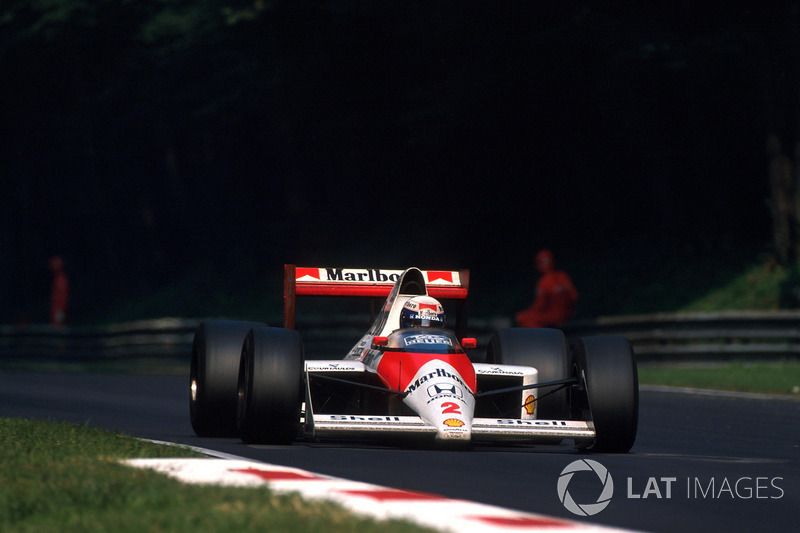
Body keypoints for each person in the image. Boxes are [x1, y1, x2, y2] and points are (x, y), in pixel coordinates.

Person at [515, 249, 577, 328]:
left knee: (522, 318)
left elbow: (540, 305)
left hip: (555, 316)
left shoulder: (544, 282)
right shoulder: (562, 276)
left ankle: (539, 338)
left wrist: (527, 313)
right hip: (567, 315)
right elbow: (574, 296)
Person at [49, 256, 70, 327]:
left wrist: (60, 311)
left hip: (59, 310)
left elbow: (63, 297)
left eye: (55, 264)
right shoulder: (57, 278)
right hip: (56, 309)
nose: (52, 266)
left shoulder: (61, 279)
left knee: (58, 327)